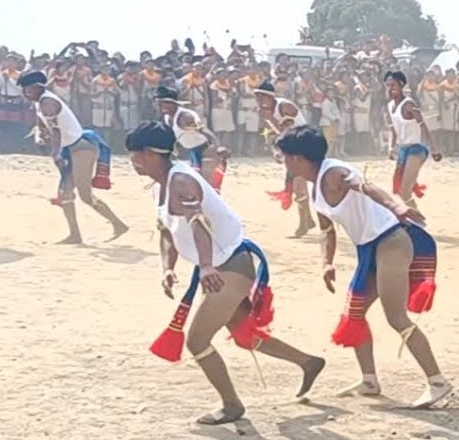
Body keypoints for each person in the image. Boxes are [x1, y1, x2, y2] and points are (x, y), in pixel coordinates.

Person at [129, 121, 325, 425]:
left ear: (149, 154)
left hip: (229, 265)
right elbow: (167, 231)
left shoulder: (180, 181)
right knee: (244, 334)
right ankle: (308, 362)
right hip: (220, 265)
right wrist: (167, 268)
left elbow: (199, 224)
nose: (132, 161)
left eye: (135, 154)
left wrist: (205, 265)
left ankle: (231, 405)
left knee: (197, 341)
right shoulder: (163, 183)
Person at [276, 126, 452, 408]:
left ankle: (438, 382)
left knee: (396, 318)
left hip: (391, 240)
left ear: (298, 158)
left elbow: (365, 186)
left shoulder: (335, 172)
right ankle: (369, 380)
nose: (282, 161)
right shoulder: (315, 189)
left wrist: (396, 206)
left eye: (284, 156)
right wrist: (326, 263)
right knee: (354, 315)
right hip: (368, 249)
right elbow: (327, 231)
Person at [18, 70, 128, 244]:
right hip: (71, 147)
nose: (25, 93)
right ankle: (75, 235)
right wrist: (39, 136)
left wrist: (55, 153)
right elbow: (40, 124)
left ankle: (118, 224)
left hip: (81, 148)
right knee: (65, 193)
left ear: (38, 87)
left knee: (85, 195)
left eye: (28, 90)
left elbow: (55, 131)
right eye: (24, 90)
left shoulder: (48, 102)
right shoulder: (39, 102)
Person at [253, 81, 316, 237]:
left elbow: (289, 131)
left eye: (262, 97)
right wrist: (276, 150)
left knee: (299, 186)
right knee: (297, 185)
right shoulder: (266, 110)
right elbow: (272, 133)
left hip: (304, 144)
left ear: (270, 97)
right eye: (257, 97)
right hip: (292, 148)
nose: (259, 100)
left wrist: (270, 118)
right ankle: (307, 220)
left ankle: (304, 224)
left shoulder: (284, 107)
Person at [384, 71, 441, 211]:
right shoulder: (390, 106)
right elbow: (393, 129)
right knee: (400, 191)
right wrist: (391, 147)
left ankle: (418, 222)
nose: (390, 89)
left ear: (401, 85)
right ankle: (415, 218)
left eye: (393, 85)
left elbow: (424, 126)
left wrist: (434, 148)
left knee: (405, 191)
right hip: (403, 149)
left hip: (417, 148)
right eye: (387, 85)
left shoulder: (409, 104)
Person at [155, 85, 229, 189]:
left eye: (163, 103)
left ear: (172, 104)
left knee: (207, 185)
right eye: (159, 103)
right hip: (192, 151)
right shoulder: (167, 117)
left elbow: (204, 131)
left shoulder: (185, 118)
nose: (160, 106)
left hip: (204, 150)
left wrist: (218, 146)